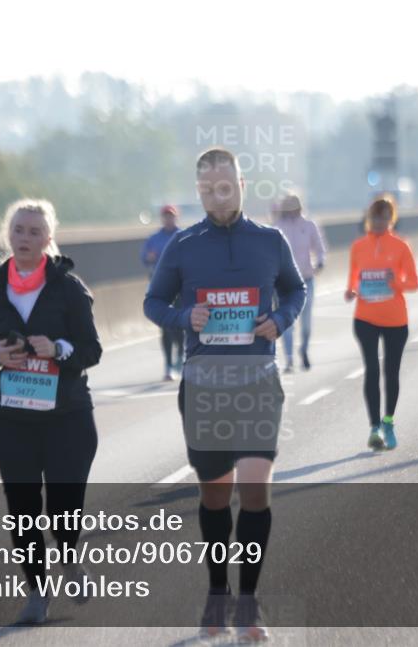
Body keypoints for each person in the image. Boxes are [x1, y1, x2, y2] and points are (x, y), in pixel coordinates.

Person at [144, 147, 306, 641]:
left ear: (242, 183)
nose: (219, 196)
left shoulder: (270, 240)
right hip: (205, 387)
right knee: (215, 498)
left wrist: (278, 321)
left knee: (254, 491)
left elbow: (296, 291)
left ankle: (249, 605)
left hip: (257, 382)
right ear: (199, 192)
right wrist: (181, 317)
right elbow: (153, 301)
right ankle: (219, 593)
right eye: (209, 189)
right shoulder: (184, 246)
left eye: (227, 186)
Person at [0, 199, 102, 625]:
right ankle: (38, 594)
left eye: (34, 232)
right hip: (13, 419)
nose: (24, 238)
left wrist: (58, 349)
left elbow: (92, 350)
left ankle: (68, 553)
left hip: (68, 415)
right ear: (9, 236)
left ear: (48, 239)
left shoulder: (69, 288)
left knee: (63, 504)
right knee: (22, 507)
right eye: (18, 230)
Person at [345, 194, 418, 451]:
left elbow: (414, 283)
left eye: (384, 217)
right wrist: (350, 292)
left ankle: (388, 421)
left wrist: (394, 283)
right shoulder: (358, 247)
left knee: (391, 372)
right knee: (372, 371)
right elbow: (353, 280)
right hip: (365, 318)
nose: (379, 221)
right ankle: (374, 427)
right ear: (369, 218)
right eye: (375, 217)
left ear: (391, 219)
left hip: (395, 320)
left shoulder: (401, 246)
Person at [274, 192, 327, 372]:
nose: (292, 212)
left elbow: (320, 248)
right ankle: (289, 359)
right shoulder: (278, 227)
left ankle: (303, 349)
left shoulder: (309, 225)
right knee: (287, 320)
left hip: (306, 279)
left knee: (306, 322)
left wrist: (320, 262)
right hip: (284, 283)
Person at [142, 204, 184, 380]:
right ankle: (168, 365)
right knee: (165, 327)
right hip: (160, 288)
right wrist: (149, 257)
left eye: (171, 215)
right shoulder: (154, 238)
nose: (169, 218)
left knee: (180, 325)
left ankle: (180, 355)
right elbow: (144, 257)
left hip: (181, 287)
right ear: (162, 218)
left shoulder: (183, 236)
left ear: (176, 217)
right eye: (166, 216)